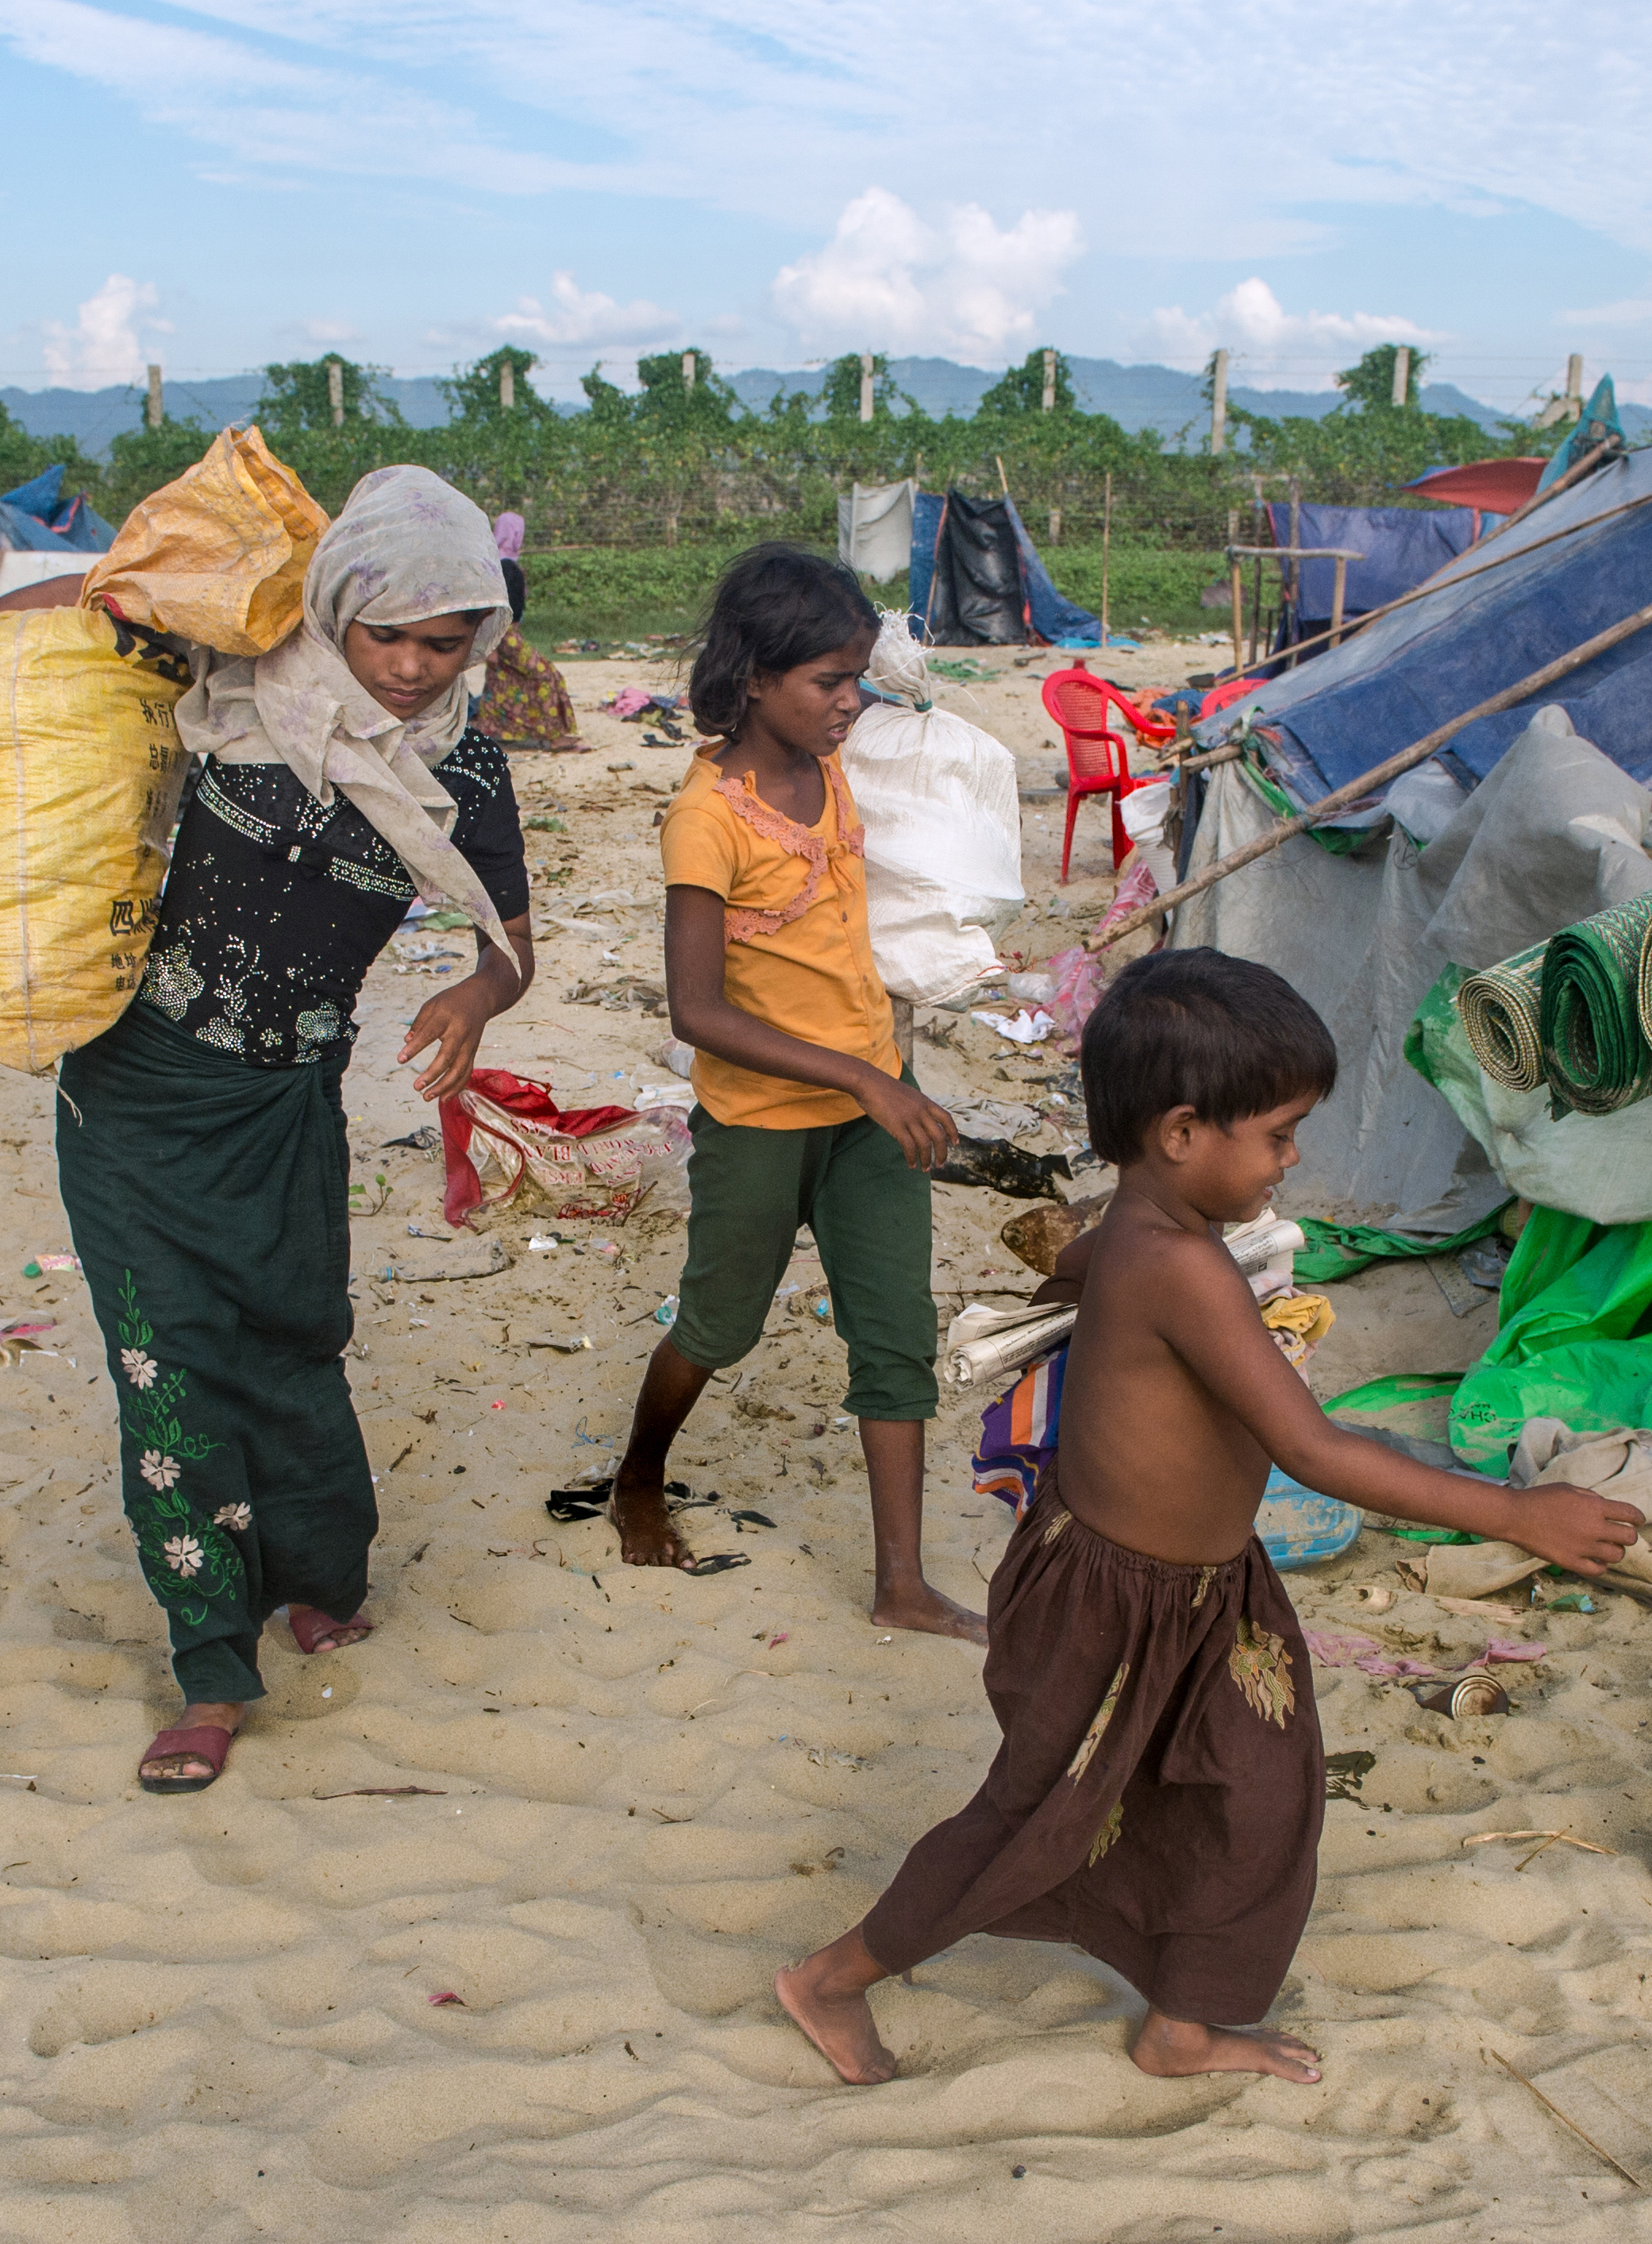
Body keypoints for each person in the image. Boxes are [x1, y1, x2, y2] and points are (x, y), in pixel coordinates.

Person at [775, 949, 1645, 2086]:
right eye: (1278, 1134)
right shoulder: (1180, 1265)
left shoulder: (1143, 1234)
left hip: (1206, 1591)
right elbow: (1314, 1448)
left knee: (1258, 1796)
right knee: (1030, 1819)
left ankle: (1182, 2018)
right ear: (1181, 1132)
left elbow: (1082, 1264)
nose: (1291, 1157)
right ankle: (830, 1976)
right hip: (1108, 1599)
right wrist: (1514, 1512)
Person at [62, 466, 540, 1793]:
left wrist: (476, 992)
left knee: (293, 1343)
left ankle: (320, 1576)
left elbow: (512, 946)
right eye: (385, 635)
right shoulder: (219, 703)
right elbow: (68, 710)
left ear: (480, 641)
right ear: (334, 614)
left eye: (446, 641)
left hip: (288, 1102)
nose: (409, 666)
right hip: (135, 1095)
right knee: (168, 1369)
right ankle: (211, 1667)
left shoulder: (468, 764)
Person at [604, 545, 981, 1639]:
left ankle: (901, 1581)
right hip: (764, 1121)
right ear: (754, 677)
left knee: (894, 1331)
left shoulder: (830, 769)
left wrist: (881, 1071)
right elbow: (695, 1008)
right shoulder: (705, 816)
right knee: (718, 1324)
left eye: (856, 676)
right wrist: (864, 1074)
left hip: (868, 1115)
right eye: (828, 680)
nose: (849, 700)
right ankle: (638, 1473)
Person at [472, 511, 583, 751]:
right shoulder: (505, 568)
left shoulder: (492, 564)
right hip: (505, 636)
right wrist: (491, 644)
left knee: (501, 681)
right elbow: (491, 607)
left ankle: (491, 730)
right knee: (546, 675)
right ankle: (554, 736)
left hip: (499, 636)